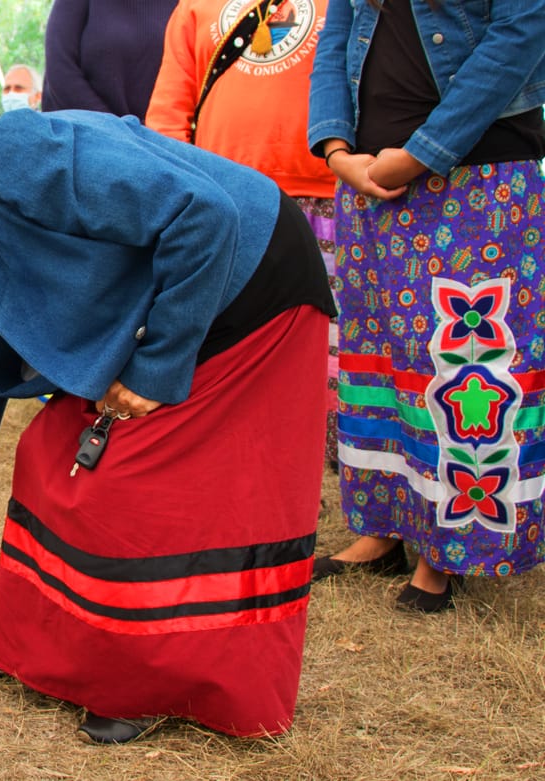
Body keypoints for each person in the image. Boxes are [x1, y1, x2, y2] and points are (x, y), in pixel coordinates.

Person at [0, 103, 336, 741]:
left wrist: (154, 369)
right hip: (186, 295)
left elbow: (205, 215)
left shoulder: (15, 157)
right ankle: (62, 660)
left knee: (124, 484)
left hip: (252, 283)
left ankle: (147, 681)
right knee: (48, 454)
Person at [307, 0, 545, 612]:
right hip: (368, 182)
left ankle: (447, 548)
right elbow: (334, 43)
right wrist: (337, 152)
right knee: (381, 358)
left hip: (477, 177)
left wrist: (421, 154)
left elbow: (521, 31)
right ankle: (382, 526)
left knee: (463, 362)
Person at [146, 0, 340, 467]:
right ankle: (247, 464)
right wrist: (178, 194)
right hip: (230, 204)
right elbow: (171, 109)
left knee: (331, 348)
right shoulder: (195, 6)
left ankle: (338, 463)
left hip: (329, 194)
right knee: (242, 345)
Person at [42, 0, 179, 121]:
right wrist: (114, 130)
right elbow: (59, 67)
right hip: (79, 131)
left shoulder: (186, 5)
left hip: (153, 140)